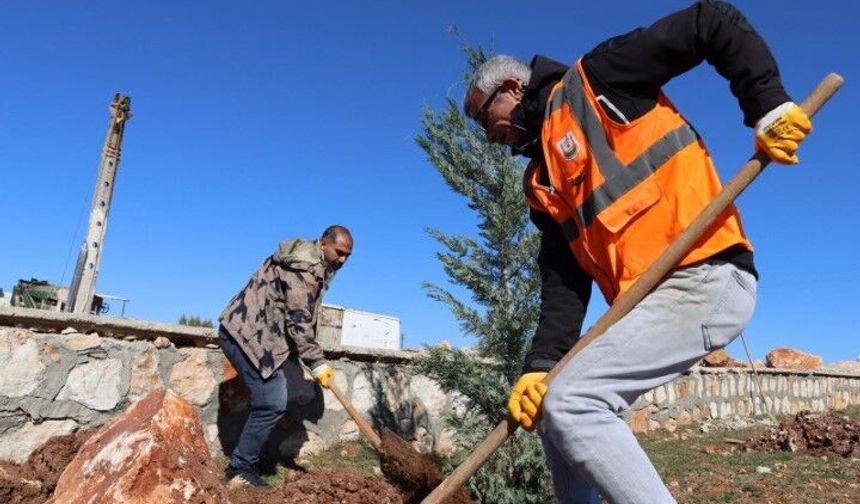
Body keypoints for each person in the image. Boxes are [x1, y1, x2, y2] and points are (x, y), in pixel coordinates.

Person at [462, 2, 811, 503]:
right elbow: (563, 284)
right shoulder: (541, 183)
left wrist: (767, 104)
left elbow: (710, 21)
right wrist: (540, 365)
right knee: (555, 399)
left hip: (706, 277)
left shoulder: (598, 81)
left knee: (573, 402)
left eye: (483, 116)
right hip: (653, 305)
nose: (487, 135)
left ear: (513, 88)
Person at [218, 225, 353, 488]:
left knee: (269, 400)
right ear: (323, 244)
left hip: (249, 333)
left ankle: (243, 464)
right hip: (245, 336)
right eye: (339, 252)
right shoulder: (303, 269)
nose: (343, 260)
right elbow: (299, 322)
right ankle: (239, 469)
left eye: (348, 255)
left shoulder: (310, 262)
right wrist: (317, 362)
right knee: (271, 401)